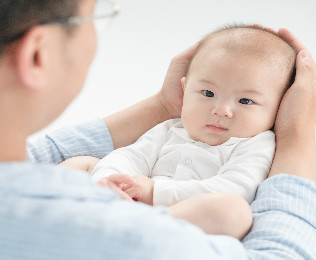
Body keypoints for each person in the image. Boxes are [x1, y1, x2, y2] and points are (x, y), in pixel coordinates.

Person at [0, 1, 316, 259]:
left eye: (246, 101)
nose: (223, 110)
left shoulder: (252, 146)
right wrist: (297, 134)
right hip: (157, 218)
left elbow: (231, 182)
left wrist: (116, 176)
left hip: (155, 199)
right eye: (94, 17)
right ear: (38, 53)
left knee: (81, 164)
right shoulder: (138, 240)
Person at [59, 24, 297, 239]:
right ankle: (83, 215)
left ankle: (126, 228)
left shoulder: (257, 144)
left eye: (245, 101)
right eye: (208, 93)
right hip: (129, 203)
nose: (221, 110)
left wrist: (154, 192)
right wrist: (113, 180)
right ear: (185, 89)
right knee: (80, 164)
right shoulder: (171, 129)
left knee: (234, 212)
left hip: (172, 224)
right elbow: (131, 156)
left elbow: (235, 188)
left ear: (279, 107)